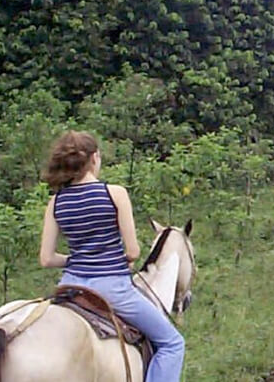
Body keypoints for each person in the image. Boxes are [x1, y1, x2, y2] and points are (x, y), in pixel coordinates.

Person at [39, 131, 185, 382]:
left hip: (70, 287)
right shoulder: (114, 193)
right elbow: (133, 252)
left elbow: (46, 259)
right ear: (94, 159)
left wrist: (76, 259)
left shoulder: (55, 202)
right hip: (112, 289)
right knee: (172, 343)